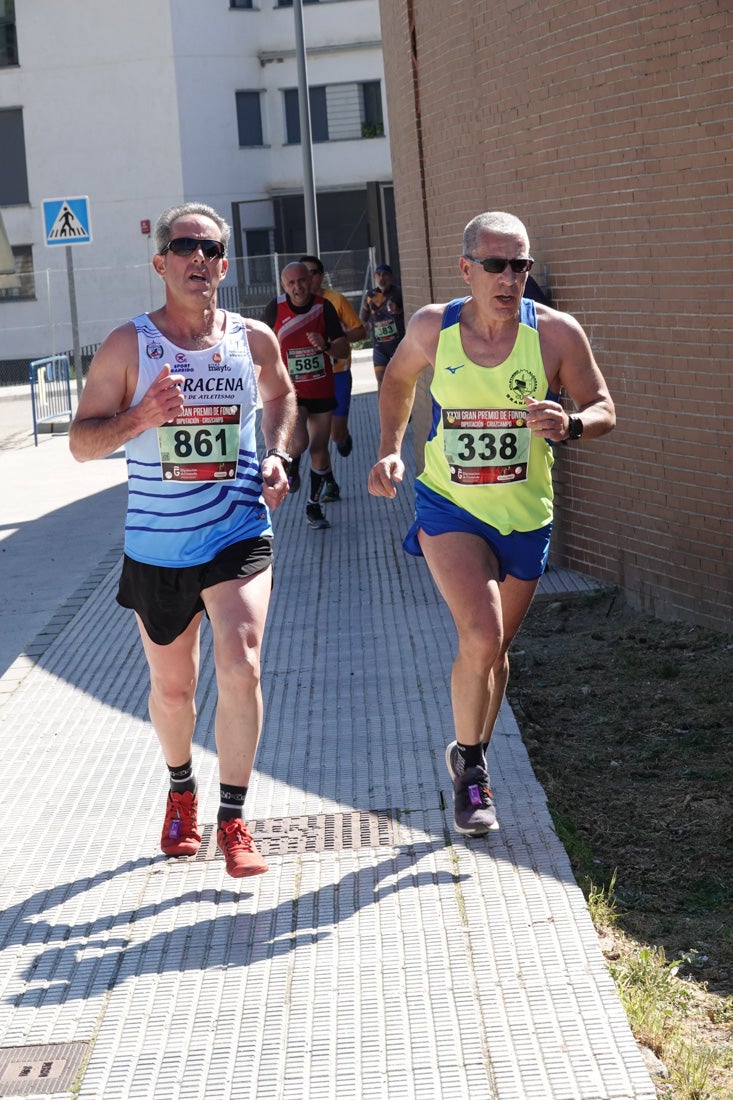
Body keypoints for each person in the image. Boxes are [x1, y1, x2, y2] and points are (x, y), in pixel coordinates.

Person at [368, 211, 615, 837]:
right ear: (467, 269)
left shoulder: (557, 334)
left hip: (524, 515)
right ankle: (472, 771)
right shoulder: (433, 327)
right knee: (479, 633)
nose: (511, 278)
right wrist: (391, 448)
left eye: (521, 265)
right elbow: (397, 381)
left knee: (496, 648)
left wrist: (572, 424)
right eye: (497, 265)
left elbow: (604, 405)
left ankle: (468, 754)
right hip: (448, 505)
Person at [69, 202, 297, 878]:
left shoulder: (252, 339)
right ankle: (179, 791)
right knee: (174, 693)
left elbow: (280, 397)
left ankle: (233, 818)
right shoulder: (127, 346)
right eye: (184, 246)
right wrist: (142, 416)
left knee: (242, 661)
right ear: (160, 261)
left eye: (210, 247)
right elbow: (81, 444)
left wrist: (277, 456)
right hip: (159, 548)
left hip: (238, 532)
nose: (198, 257)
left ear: (224, 264)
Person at [264, 261, 350, 530]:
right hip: (293, 393)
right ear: (283, 285)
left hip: (322, 389)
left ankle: (313, 506)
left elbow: (344, 350)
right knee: (298, 442)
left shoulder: (323, 307)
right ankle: (292, 463)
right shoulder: (274, 309)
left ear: (310, 281)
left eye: (302, 281)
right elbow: (260, 344)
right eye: (291, 283)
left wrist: (324, 345)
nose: (298, 287)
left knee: (320, 450)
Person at [300, 255, 365, 467]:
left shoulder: (335, 300)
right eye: (303, 273)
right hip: (309, 377)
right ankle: (324, 480)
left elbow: (360, 330)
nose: (307, 278)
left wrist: (338, 340)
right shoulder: (292, 303)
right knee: (314, 438)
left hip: (338, 374)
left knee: (336, 434)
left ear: (321, 276)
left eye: (312, 273)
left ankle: (343, 438)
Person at [361, 263, 405, 392]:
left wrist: (398, 311)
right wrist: (364, 323)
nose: (382, 278)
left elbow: (408, 313)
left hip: (397, 344)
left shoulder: (398, 292)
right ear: (375, 277)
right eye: (378, 275)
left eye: (385, 275)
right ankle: (382, 412)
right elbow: (364, 316)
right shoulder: (370, 295)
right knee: (380, 380)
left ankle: (404, 411)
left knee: (400, 380)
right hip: (380, 346)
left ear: (391, 276)